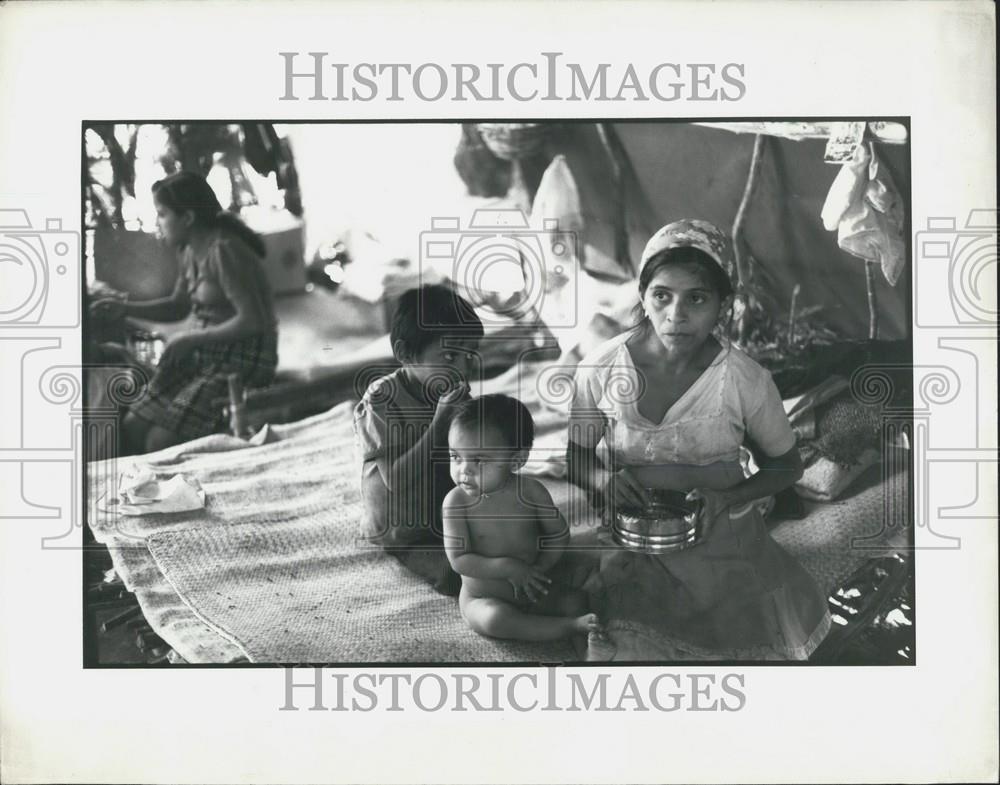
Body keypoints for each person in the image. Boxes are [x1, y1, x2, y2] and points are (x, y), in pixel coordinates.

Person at [567, 219, 831, 661]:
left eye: (697, 298)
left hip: (720, 531)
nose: (676, 315)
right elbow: (576, 456)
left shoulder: (744, 380)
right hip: (633, 532)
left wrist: (727, 498)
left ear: (724, 305)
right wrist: (602, 483)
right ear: (642, 296)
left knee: (730, 644)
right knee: (624, 641)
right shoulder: (601, 369)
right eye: (662, 296)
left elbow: (788, 466)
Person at [89, 171, 277, 454]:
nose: (158, 222)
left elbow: (254, 321)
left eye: (163, 214)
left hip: (243, 358)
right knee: (131, 427)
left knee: (157, 442)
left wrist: (189, 340)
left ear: (187, 218)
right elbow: (178, 305)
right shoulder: (189, 249)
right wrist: (124, 308)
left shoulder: (224, 250)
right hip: (207, 352)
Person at [353, 284, 483, 596]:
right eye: (450, 355)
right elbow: (395, 480)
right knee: (459, 575)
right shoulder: (382, 401)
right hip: (404, 527)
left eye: (470, 353)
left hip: (443, 513)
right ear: (405, 354)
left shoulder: (450, 392)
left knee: (510, 544)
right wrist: (440, 423)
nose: (463, 368)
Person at [443, 394, 603, 642]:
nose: (464, 469)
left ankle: (583, 636)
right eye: (456, 456)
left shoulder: (532, 492)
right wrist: (508, 567)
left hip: (532, 587)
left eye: (478, 460)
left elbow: (558, 534)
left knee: (576, 600)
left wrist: (540, 568)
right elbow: (459, 561)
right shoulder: (456, 503)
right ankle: (568, 628)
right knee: (495, 620)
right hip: (484, 597)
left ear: (516, 460)